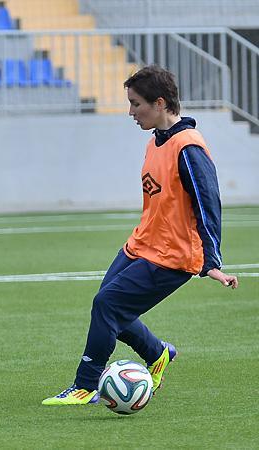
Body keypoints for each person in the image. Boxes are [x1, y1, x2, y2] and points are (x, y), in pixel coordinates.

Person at [42, 65, 239, 406]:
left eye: (136, 104)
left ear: (160, 103)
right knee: (108, 307)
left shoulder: (188, 147)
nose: (130, 112)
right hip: (142, 244)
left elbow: (208, 204)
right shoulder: (155, 142)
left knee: (107, 305)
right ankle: (157, 352)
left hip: (173, 256)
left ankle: (86, 385)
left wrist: (211, 261)